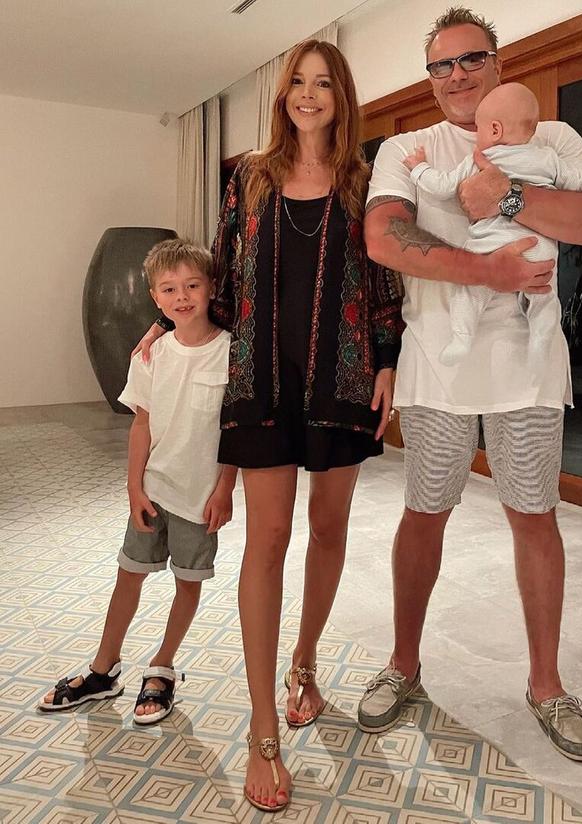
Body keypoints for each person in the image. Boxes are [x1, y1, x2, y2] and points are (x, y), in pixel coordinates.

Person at [136, 40, 403, 812]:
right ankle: (262, 727)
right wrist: (173, 322)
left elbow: (384, 282)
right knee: (269, 539)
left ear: (341, 97)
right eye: (297, 83)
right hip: (259, 382)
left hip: (343, 379)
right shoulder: (250, 177)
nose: (308, 94)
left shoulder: (363, 181)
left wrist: (388, 360)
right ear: (283, 95)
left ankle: (305, 662)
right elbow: (219, 275)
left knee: (329, 529)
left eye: (323, 83)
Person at [358, 7, 582, 763]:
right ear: (430, 78)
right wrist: (487, 269)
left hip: (528, 365)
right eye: (441, 65)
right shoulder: (409, 147)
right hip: (437, 362)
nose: (457, 75)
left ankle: (546, 684)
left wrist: (508, 200)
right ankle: (403, 664)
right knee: (425, 512)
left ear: (499, 64)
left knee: (535, 515)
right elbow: (383, 237)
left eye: (471, 59)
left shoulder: (553, 137)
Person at [39, 239, 236, 727]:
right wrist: (133, 487)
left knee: (188, 583)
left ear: (211, 287)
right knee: (128, 575)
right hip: (154, 490)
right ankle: (103, 669)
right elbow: (142, 425)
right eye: (169, 289)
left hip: (200, 498)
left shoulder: (232, 354)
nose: (182, 296)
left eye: (192, 285)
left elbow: (238, 431)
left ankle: (162, 667)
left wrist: (225, 488)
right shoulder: (151, 354)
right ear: (155, 297)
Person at [402, 82, 582, 366]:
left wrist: (418, 168)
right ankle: (540, 341)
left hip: (490, 245)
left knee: (468, 294)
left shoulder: (481, 159)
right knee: (543, 298)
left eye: (479, 129)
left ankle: (462, 338)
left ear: (495, 130)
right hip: (538, 248)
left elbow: (441, 185)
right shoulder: (547, 158)